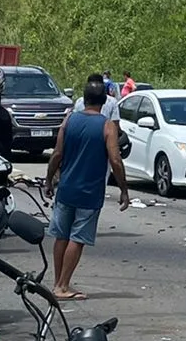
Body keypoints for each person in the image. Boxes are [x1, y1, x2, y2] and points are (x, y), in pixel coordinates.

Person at [45, 78, 129, 300]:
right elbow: (116, 160)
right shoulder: (107, 126)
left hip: (66, 189)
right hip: (89, 192)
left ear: (85, 98)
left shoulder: (69, 120)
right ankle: (63, 285)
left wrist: (48, 180)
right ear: (104, 100)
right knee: (77, 238)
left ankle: (57, 283)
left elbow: (57, 154)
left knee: (61, 236)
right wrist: (124, 190)